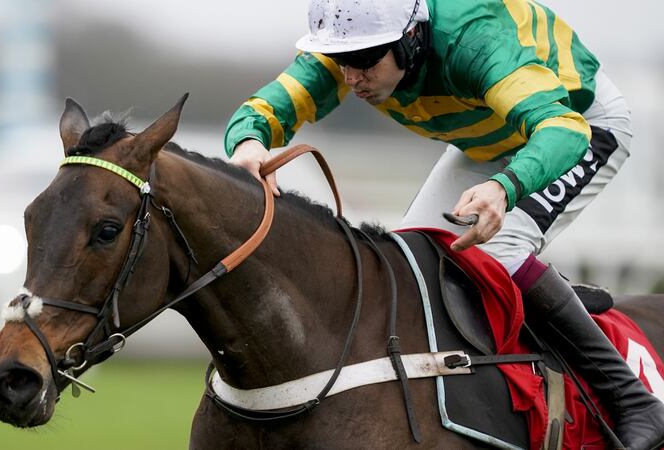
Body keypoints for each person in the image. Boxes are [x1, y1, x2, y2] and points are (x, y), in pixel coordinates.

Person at [223, 0, 664, 448]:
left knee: (498, 248)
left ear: (411, 38)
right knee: (410, 259)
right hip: (492, 137)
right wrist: (248, 141)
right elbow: (268, 106)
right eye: (340, 61)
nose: (351, 76)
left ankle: (635, 400)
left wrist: (506, 187)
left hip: (577, 123)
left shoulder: (473, 39)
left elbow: (561, 130)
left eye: (363, 62)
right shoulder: (356, 45)